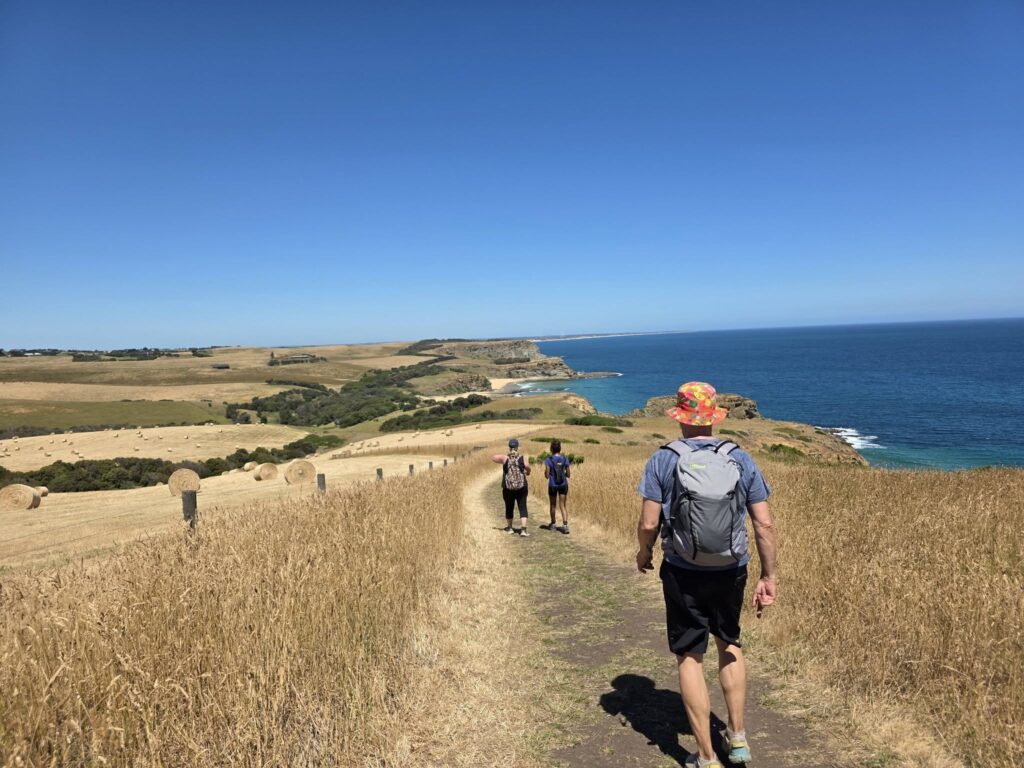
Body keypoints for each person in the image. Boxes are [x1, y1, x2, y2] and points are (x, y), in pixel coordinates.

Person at [635, 382, 777, 768]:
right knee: (730, 644)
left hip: (683, 570)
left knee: (689, 657)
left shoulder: (663, 459)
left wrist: (644, 552)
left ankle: (707, 757)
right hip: (732, 568)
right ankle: (739, 736)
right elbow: (763, 524)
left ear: (680, 417)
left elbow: (649, 522)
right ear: (714, 417)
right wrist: (769, 575)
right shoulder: (740, 457)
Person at [491, 438, 531, 536]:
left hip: (507, 488)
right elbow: (528, 468)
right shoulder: (522, 458)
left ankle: (510, 528)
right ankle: (523, 530)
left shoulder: (505, 459)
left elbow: (493, 457)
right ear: (517, 447)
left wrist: (504, 457)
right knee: (522, 507)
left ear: (509, 447)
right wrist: (527, 472)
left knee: (509, 507)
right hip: (522, 487)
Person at [540, 439, 571, 533]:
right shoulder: (565, 459)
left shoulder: (549, 460)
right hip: (563, 484)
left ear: (551, 449)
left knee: (553, 505)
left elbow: (546, 476)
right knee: (563, 505)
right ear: (560, 448)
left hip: (553, 485)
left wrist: (546, 472)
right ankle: (565, 525)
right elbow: (569, 474)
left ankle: (553, 524)